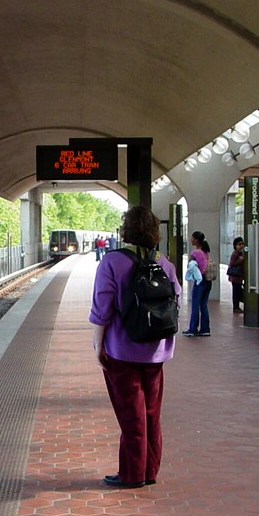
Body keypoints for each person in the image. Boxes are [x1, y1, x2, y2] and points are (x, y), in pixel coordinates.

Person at [89, 205, 181, 488]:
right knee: (151, 413)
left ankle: (132, 474)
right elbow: (176, 302)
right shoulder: (165, 264)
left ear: (126, 231)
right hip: (156, 352)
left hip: (122, 352)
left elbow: (102, 308)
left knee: (131, 415)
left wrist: (97, 345)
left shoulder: (112, 262)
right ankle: (149, 470)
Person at [183, 231, 212, 337]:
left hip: (200, 281)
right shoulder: (205, 252)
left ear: (196, 240)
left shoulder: (195, 252)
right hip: (208, 280)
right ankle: (205, 329)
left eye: (192, 238)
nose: (191, 240)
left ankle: (193, 329)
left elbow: (189, 266)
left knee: (195, 304)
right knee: (203, 305)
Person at [228, 236, 246, 313]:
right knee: (236, 292)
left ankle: (237, 306)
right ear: (235, 245)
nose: (241, 245)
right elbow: (232, 263)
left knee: (238, 291)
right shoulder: (235, 254)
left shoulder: (240, 253)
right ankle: (236, 307)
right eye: (239, 244)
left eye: (242, 243)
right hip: (235, 277)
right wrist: (240, 260)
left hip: (238, 277)